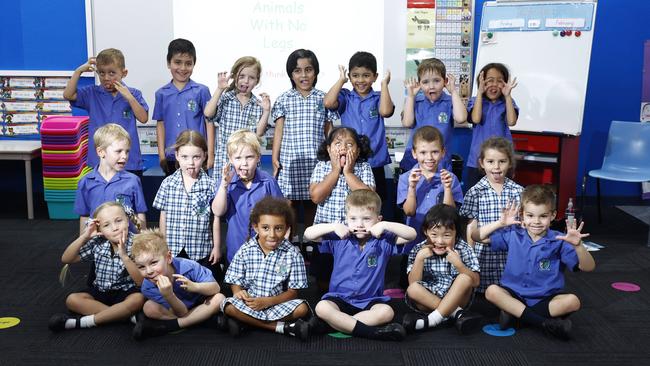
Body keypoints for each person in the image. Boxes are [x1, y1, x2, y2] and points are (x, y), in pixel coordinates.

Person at [473, 184, 595, 340]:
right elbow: (477, 237)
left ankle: (516, 316)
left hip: (544, 299)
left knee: (573, 301)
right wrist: (500, 223)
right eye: (530, 215)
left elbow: (588, 267)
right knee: (491, 291)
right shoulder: (513, 234)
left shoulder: (559, 240)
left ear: (552, 215)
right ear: (522, 215)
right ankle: (544, 323)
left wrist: (579, 246)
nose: (536, 221)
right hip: (514, 294)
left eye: (543, 216)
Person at [304, 189, 416, 341]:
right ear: (347, 219)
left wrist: (386, 225)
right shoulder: (339, 239)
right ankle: (371, 332)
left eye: (367, 219)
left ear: (378, 219)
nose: (360, 224)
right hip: (339, 298)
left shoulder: (384, 240)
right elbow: (308, 234)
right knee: (321, 307)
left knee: (386, 312)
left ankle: (333, 324)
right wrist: (333, 226)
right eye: (353, 218)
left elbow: (412, 235)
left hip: (370, 301)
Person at [221, 196, 311, 341]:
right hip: (250, 303)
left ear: (287, 228)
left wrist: (267, 302)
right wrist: (238, 292)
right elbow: (234, 280)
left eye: (279, 228)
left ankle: (246, 322)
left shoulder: (293, 254)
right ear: (256, 227)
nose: (272, 235)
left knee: (302, 308)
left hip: (276, 303)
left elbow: (293, 292)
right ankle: (281, 327)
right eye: (265, 228)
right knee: (229, 306)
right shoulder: (246, 249)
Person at [48, 202, 145, 332]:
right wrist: (85, 236)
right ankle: (124, 316)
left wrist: (124, 256)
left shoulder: (138, 243)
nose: (115, 228)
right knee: (72, 300)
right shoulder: (97, 243)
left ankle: (82, 322)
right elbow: (66, 258)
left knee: (138, 299)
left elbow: (141, 281)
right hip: (100, 292)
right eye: (106, 225)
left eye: (118, 221)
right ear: (100, 230)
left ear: (127, 221)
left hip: (126, 292)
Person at [271, 49, 338, 231]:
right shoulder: (284, 99)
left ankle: (311, 242)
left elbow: (328, 130)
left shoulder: (323, 99)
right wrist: (275, 158)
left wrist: (331, 155)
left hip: (316, 161)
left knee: (312, 203)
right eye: (297, 71)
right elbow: (279, 130)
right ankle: (288, 242)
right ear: (291, 75)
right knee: (288, 204)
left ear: (315, 72)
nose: (303, 75)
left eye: (308, 69)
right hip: (290, 161)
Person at [309, 126, 375, 293]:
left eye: (350, 144)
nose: (344, 148)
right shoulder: (322, 167)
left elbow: (370, 199)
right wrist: (335, 170)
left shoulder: (363, 167)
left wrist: (348, 172)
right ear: (329, 149)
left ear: (358, 150)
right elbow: (316, 196)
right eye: (338, 144)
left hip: (355, 236)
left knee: (352, 275)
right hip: (326, 235)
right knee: (324, 276)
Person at [63, 48, 149, 176]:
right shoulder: (92, 93)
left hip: (128, 162)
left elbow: (143, 118)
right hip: (101, 161)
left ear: (124, 73)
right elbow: (68, 95)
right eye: (101, 73)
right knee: (101, 195)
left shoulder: (134, 93)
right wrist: (78, 71)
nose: (106, 78)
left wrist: (129, 97)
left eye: (112, 73)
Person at [131, 229, 226, 340]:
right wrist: (169, 295)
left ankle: (171, 326)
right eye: (141, 267)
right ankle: (206, 320)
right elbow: (182, 313)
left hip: (200, 302)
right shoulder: (148, 287)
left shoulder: (189, 266)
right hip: (179, 309)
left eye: (153, 263)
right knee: (149, 308)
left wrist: (195, 286)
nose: (149, 271)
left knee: (219, 298)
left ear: (169, 257)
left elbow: (216, 288)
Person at [323, 51, 393, 201]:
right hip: (349, 161)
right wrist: (341, 80)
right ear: (350, 77)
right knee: (352, 203)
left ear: (375, 76)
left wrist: (384, 84)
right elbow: (328, 103)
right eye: (355, 75)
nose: (360, 80)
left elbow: (386, 111)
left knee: (376, 202)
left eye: (366, 75)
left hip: (375, 162)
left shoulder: (380, 97)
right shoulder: (345, 96)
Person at [401, 204, 481, 335]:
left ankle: (432, 320)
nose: (440, 241)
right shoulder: (418, 250)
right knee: (412, 289)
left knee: (464, 278)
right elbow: (413, 283)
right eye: (434, 234)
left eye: (447, 235)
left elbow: (476, 282)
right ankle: (455, 314)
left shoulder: (464, 248)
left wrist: (459, 264)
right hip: (428, 300)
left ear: (456, 234)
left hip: (458, 299)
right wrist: (419, 260)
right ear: (426, 231)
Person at [459, 137, 523, 294]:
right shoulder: (475, 192)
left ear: (510, 162)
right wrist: (470, 262)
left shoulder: (519, 192)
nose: (496, 167)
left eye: (502, 161)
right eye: (490, 161)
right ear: (482, 163)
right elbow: (471, 230)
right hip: (484, 259)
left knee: (509, 295)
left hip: (510, 259)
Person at [153, 130, 219, 280]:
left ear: (204, 156)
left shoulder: (210, 185)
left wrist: (216, 247)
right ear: (177, 155)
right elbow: (163, 216)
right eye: (185, 157)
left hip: (200, 249)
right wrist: (162, 243)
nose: (190, 162)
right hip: (173, 248)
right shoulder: (168, 183)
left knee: (205, 286)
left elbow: (215, 219)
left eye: (196, 157)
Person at [212, 129, 284, 264]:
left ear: (258, 157)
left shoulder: (268, 182)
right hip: (236, 250)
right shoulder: (227, 183)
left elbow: (282, 215)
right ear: (230, 159)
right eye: (238, 158)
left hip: (266, 251)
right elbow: (218, 211)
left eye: (249, 157)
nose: (244, 163)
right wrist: (223, 186)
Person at [397, 126, 463, 254]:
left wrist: (447, 188)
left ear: (443, 152)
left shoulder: (450, 178)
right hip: (414, 241)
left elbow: (451, 214)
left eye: (435, 152)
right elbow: (409, 212)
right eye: (423, 152)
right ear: (414, 153)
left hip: (441, 243)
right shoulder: (406, 178)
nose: (429, 157)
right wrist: (412, 188)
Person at [204, 56, 270, 183]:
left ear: (257, 81)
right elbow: (208, 113)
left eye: (251, 78)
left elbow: (259, 133)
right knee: (224, 198)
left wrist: (266, 111)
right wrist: (220, 89)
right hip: (225, 163)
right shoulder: (226, 98)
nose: (246, 81)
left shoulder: (257, 104)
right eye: (242, 76)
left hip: (248, 166)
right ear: (235, 77)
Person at [74, 123, 147, 235]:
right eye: (118, 151)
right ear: (101, 152)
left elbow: (142, 227)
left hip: (128, 244)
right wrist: (83, 246)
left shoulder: (133, 181)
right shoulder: (85, 182)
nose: (124, 156)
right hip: (97, 245)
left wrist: (132, 217)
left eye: (127, 151)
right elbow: (84, 218)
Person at [153, 38, 212, 176]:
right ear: (169, 63)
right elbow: (160, 124)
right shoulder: (161, 93)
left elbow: (209, 123)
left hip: (198, 156)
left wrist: (210, 153)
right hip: (172, 158)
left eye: (188, 64)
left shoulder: (202, 91)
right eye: (177, 62)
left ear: (194, 64)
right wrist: (161, 155)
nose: (183, 68)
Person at [400, 58, 467, 172]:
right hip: (415, 160)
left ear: (445, 81)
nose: (431, 86)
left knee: (441, 189)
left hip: (440, 160)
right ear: (419, 84)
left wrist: (454, 92)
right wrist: (411, 97)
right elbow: (407, 123)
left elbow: (461, 118)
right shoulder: (414, 101)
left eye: (436, 81)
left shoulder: (450, 101)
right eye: (425, 82)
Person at [464, 62, 519, 189]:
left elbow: (511, 121)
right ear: (482, 83)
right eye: (489, 81)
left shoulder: (507, 102)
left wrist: (508, 96)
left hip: (502, 161)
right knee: (475, 197)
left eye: (499, 81)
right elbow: (475, 119)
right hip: (477, 161)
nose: (494, 85)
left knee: (503, 196)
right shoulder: (475, 101)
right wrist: (479, 92)